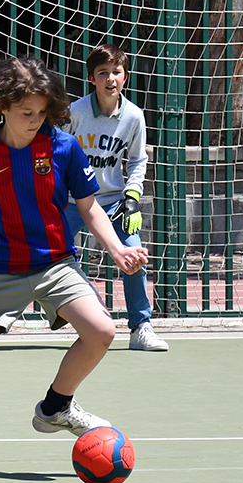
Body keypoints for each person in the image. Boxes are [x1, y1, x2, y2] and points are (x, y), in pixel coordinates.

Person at [0, 56, 150, 476]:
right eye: (25, 112)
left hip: (54, 263)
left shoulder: (63, 147)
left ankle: (56, 406)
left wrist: (116, 250)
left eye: (41, 112)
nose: (35, 120)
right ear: (1, 108)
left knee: (102, 331)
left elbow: (89, 208)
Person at [63, 43, 168, 352]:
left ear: (125, 77)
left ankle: (141, 327)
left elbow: (137, 161)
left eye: (116, 72)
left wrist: (132, 197)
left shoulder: (134, 116)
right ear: (91, 79)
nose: (110, 78)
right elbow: (57, 153)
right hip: (71, 201)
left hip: (112, 202)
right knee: (48, 256)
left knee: (134, 255)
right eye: (102, 73)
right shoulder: (75, 112)